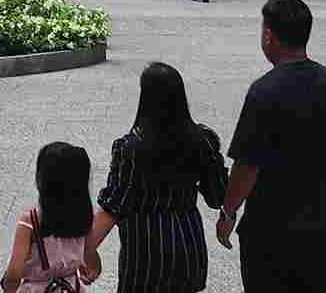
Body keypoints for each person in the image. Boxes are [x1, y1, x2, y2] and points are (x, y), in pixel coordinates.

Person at [216, 0, 326, 293]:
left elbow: (247, 166)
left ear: (268, 36)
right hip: (323, 233)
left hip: (269, 235)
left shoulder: (263, 93)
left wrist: (228, 212)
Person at [90, 61, 227, 292]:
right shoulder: (202, 140)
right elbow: (217, 196)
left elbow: (116, 205)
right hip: (188, 246)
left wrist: (83, 249)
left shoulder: (130, 148)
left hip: (145, 252)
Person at [0, 140, 101, 291]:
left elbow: (14, 274)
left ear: (42, 181)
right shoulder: (85, 217)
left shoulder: (31, 220)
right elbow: (93, 265)